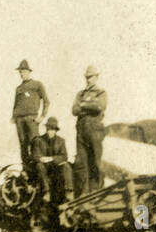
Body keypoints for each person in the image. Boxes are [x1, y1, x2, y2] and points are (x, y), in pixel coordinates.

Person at [71, 65, 107, 196]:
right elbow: (74, 110)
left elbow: (99, 107)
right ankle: (85, 191)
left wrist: (82, 105)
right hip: (81, 129)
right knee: (82, 162)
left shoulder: (101, 93)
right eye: (87, 77)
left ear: (96, 77)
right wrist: (88, 104)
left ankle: (97, 189)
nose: (88, 79)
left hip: (95, 129)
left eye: (91, 77)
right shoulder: (80, 94)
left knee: (96, 161)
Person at [12, 60, 49, 167]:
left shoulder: (37, 85)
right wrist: (14, 116)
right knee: (23, 145)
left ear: (28, 71)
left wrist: (42, 116)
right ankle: (26, 170)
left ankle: (38, 170)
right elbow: (16, 104)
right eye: (20, 72)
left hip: (31, 119)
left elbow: (47, 101)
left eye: (23, 71)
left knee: (35, 144)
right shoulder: (18, 88)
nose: (21, 74)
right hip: (19, 120)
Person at [30, 117, 73, 204]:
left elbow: (64, 156)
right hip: (44, 167)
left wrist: (51, 159)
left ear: (56, 130)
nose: (50, 131)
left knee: (66, 166)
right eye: (49, 129)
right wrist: (41, 158)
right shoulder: (38, 140)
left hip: (55, 167)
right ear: (46, 129)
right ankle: (46, 192)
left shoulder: (61, 141)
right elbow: (35, 155)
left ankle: (69, 191)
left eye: (53, 129)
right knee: (39, 165)